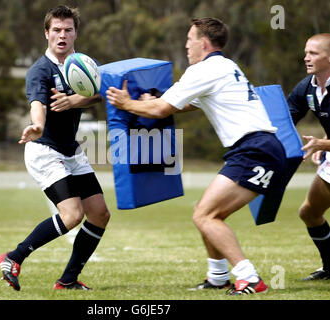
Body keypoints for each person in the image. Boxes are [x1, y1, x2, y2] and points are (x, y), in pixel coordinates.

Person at [106, 17, 287, 295]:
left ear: (203, 43)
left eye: (189, 40)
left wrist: (126, 103)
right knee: (208, 213)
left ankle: (249, 277)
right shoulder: (225, 66)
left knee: (205, 216)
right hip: (262, 148)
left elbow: (160, 110)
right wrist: (149, 101)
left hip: (255, 150)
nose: (186, 46)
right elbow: (184, 103)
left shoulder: (203, 70)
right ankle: (217, 277)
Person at [0, 5, 110, 291]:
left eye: (68, 30)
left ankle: (68, 280)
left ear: (75, 34)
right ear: (46, 33)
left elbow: (99, 93)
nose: (62, 35)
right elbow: (38, 105)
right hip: (44, 149)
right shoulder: (39, 71)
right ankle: (13, 257)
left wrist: (75, 101)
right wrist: (37, 125)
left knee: (100, 213)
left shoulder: (82, 64)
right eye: (56, 30)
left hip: (71, 149)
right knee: (72, 215)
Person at [287, 33, 330, 280]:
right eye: (306, 52)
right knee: (309, 213)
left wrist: (322, 144)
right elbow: (284, 120)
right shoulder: (307, 87)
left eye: (313, 53)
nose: (306, 58)